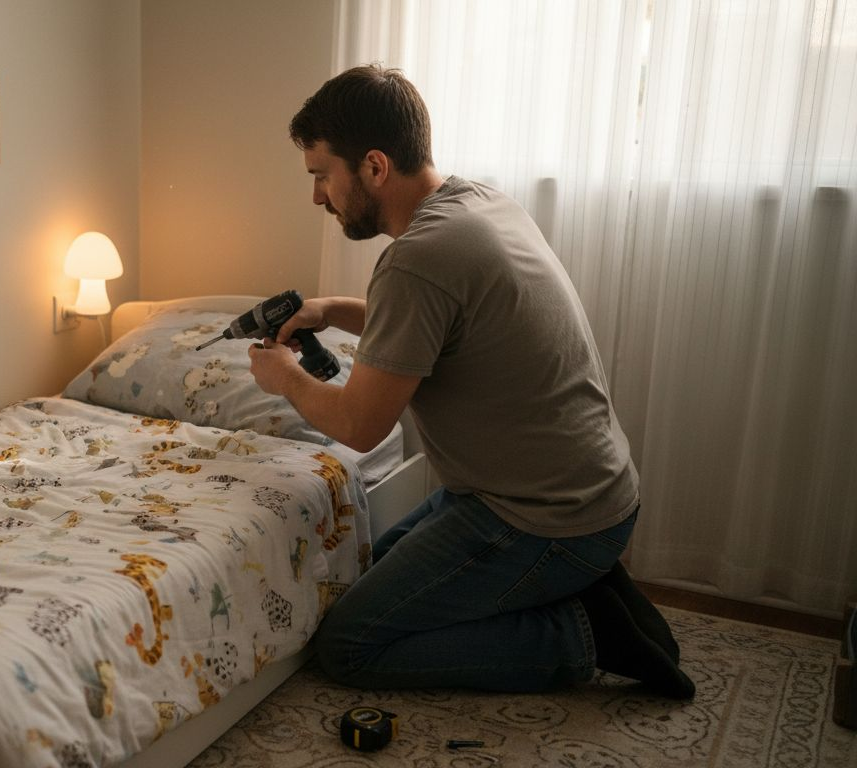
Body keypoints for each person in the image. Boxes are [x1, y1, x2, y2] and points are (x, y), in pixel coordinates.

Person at [247, 64, 694, 698]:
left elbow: (360, 425)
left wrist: (286, 378)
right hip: (571, 491)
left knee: (349, 645)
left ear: (374, 166)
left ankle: (582, 633)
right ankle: (565, 588)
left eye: (322, 175)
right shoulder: (474, 204)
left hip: (545, 518)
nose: (317, 196)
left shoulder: (418, 259)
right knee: (370, 567)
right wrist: (329, 310)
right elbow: (434, 328)